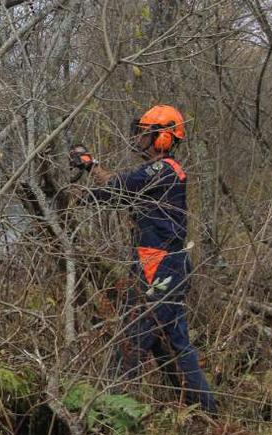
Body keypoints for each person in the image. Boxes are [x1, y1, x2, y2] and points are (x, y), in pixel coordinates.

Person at [70, 105, 217, 414]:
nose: (139, 139)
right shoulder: (161, 173)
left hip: (157, 268)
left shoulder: (161, 170)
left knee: (131, 341)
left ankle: (109, 410)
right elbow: (123, 187)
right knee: (175, 343)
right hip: (163, 264)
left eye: (145, 134)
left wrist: (76, 197)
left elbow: (118, 189)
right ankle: (205, 410)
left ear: (162, 138)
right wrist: (91, 166)